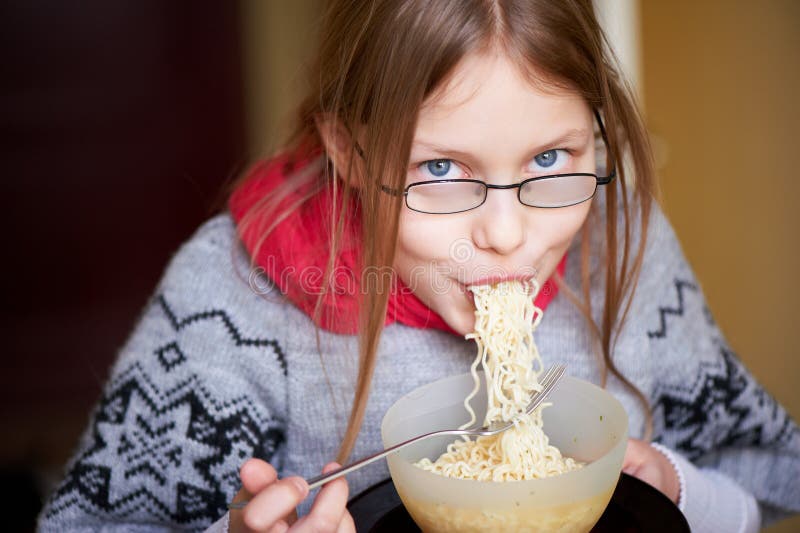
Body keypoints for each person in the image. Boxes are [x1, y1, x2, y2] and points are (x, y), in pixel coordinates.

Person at [39, 1, 799, 532]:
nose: (507, 234)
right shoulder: (235, 297)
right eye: (440, 168)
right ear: (349, 151)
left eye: (549, 157)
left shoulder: (629, 249)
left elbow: (771, 476)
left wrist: (675, 489)